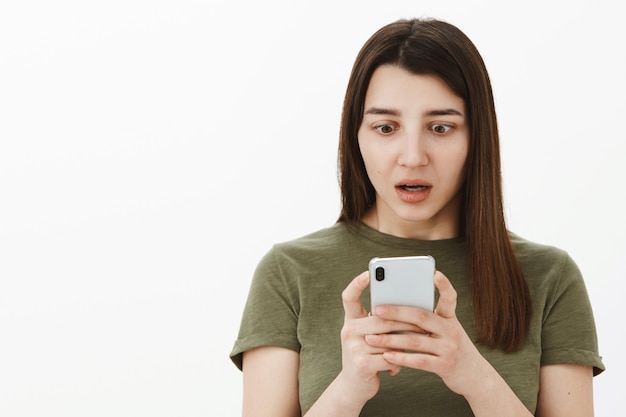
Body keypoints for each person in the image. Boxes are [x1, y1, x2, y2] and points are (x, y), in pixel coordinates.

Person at [230, 17, 604, 416]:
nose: (412, 156)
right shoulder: (289, 273)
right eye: (386, 127)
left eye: (440, 128)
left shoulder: (549, 277)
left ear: (477, 136)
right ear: (356, 136)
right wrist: (348, 389)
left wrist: (475, 377)